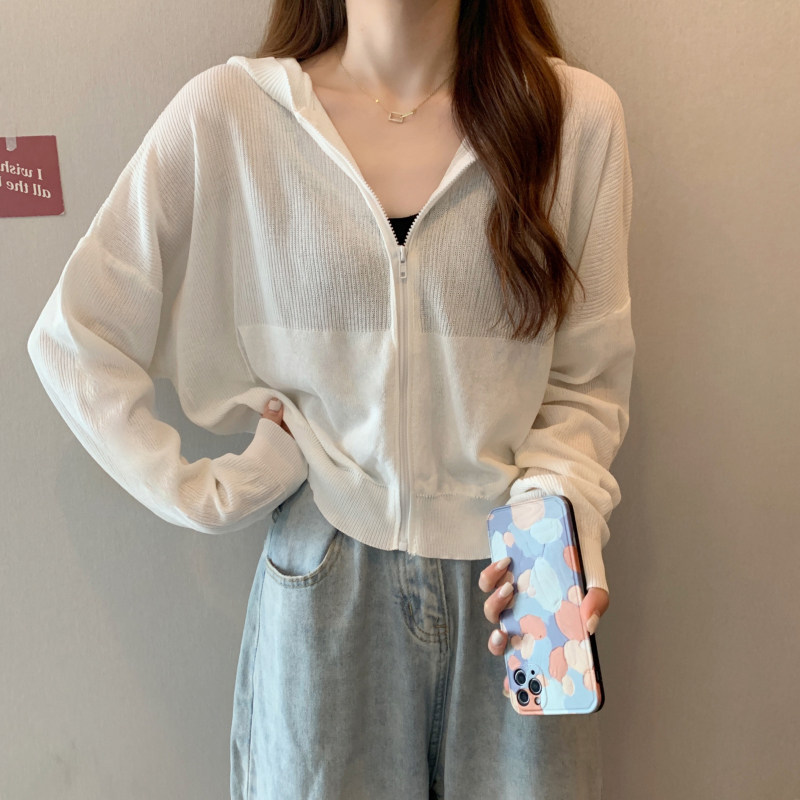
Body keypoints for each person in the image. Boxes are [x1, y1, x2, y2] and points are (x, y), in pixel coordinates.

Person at [27, 0, 635, 796]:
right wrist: (222, 489)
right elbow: (77, 338)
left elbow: (586, 385)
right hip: (325, 581)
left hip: (520, 583)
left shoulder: (573, 121)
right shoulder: (233, 117)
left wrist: (557, 505)